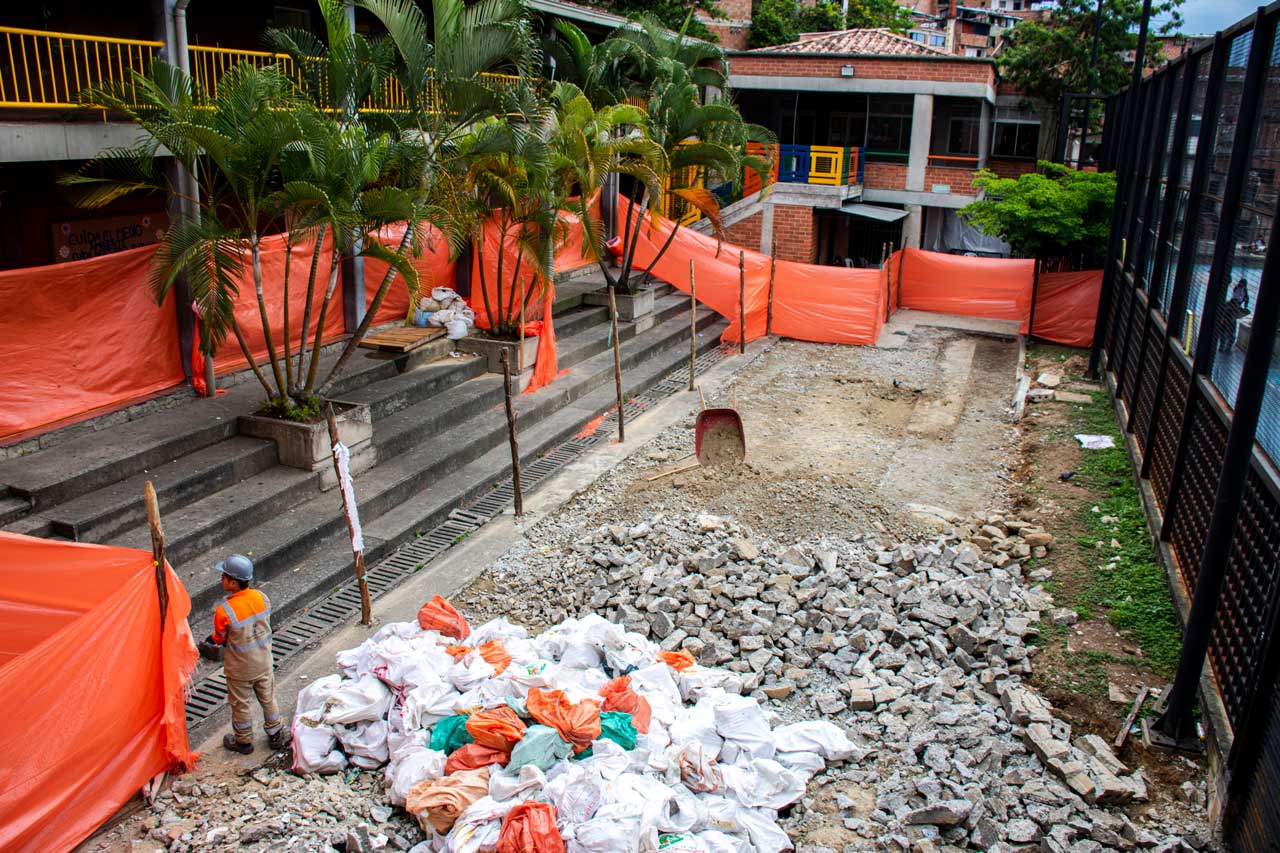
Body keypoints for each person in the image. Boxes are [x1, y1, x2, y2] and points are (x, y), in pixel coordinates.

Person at [197, 554, 289, 754]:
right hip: (264, 661)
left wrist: (207, 644)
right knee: (268, 698)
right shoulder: (262, 598)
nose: (221, 579)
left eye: (223, 576)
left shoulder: (225, 611)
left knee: (241, 704)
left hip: (240, 668)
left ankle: (243, 741)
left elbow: (220, 639)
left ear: (232, 582)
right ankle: (275, 734)